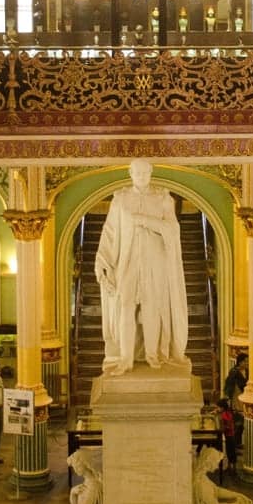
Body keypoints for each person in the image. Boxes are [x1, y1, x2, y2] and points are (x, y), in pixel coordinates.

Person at [95, 159, 188, 374]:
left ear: (151, 172)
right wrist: (103, 261)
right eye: (137, 171)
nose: (141, 175)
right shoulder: (120, 200)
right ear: (130, 172)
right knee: (126, 307)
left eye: (145, 172)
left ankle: (153, 355)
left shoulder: (163, 198)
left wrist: (146, 220)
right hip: (126, 262)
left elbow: (173, 231)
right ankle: (125, 360)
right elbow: (109, 232)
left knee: (152, 309)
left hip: (156, 262)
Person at [31, 449, 102, 504]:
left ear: (82, 466)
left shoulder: (92, 489)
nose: (74, 469)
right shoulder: (86, 483)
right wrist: (73, 493)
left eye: (75, 466)